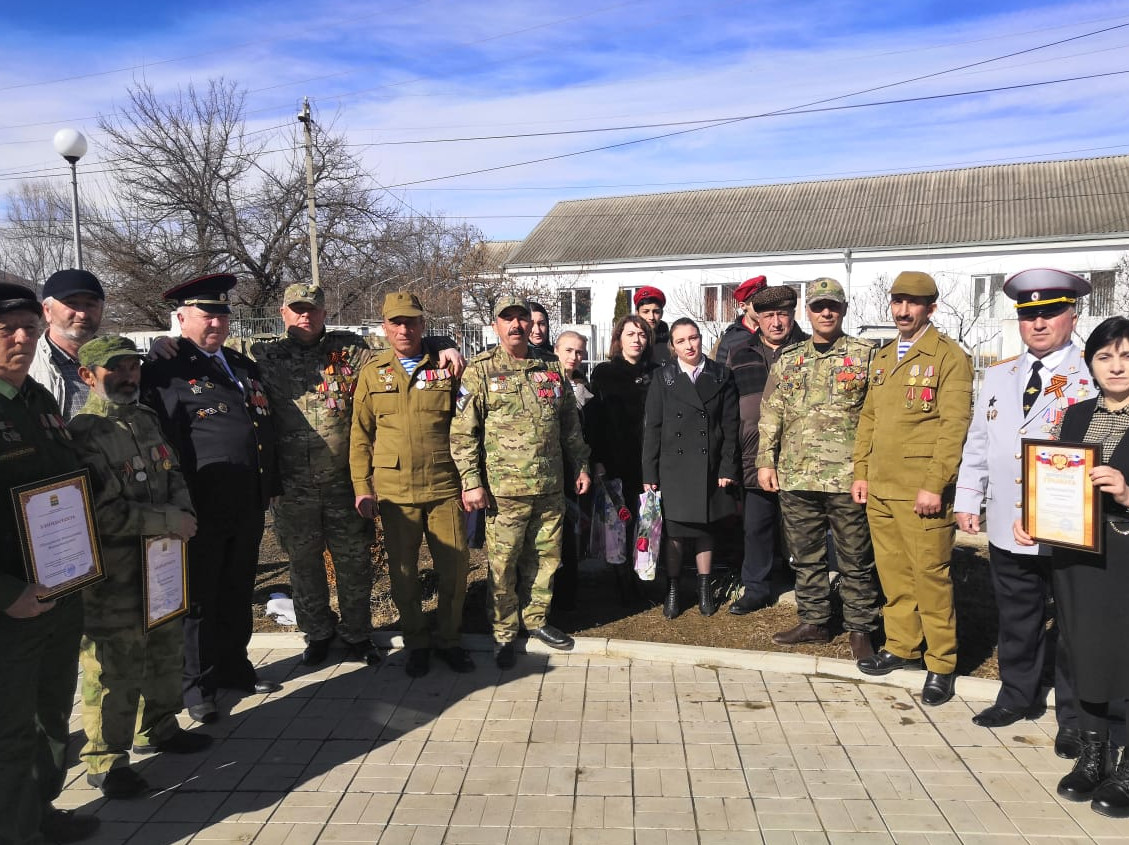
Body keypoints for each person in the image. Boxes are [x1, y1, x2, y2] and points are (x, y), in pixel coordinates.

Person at [69, 336, 211, 800]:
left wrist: (185, 516)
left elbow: (173, 477)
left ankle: (160, 728)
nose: (129, 377)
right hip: (115, 577)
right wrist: (169, 521)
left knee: (163, 651)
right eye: (116, 370)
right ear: (87, 375)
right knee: (113, 669)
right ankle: (105, 760)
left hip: (160, 567)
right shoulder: (84, 432)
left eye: (133, 367)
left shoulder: (145, 419)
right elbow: (99, 513)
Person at [955, 268, 1090, 751]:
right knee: (1017, 614)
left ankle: (1076, 715)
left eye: (1050, 313)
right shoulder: (999, 373)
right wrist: (969, 497)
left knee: (1074, 623)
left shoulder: (1092, 374)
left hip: (1068, 523)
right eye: (1029, 315)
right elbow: (980, 441)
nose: (1038, 324)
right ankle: (1018, 695)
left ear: (1072, 316)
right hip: (1006, 519)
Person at [141, 273, 283, 725]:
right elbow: (163, 439)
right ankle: (197, 685)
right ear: (181, 318)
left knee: (237, 588)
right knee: (198, 598)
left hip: (247, 501)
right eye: (207, 314)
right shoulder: (165, 367)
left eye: (222, 313)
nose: (217, 321)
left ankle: (233, 667)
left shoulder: (241, 366)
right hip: (201, 504)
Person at [1015, 316, 1129, 816]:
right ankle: (1092, 758)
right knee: (1082, 652)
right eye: (1105, 356)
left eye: (1126, 355)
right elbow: (1058, 485)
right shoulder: (1076, 416)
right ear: (1091, 364)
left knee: (1123, 656)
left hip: (1124, 559)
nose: (1116, 366)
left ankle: (1127, 769)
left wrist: (1128, 492)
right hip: (1076, 558)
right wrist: (1033, 520)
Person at [0, 282, 100, 844]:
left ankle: (38, 814)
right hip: (12, 605)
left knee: (51, 715)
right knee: (10, 730)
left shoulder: (36, 402)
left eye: (28, 329)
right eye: (5, 330)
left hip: (59, 590)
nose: (20, 338)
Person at [851, 271, 973, 706]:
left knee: (930, 577)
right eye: (897, 301)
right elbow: (869, 418)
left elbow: (953, 426)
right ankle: (902, 646)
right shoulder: (883, 358)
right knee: (894, 573)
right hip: (881, 487)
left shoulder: (949, 358)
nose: (903, 310)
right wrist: (861, 472)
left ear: (931, 308)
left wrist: (935, 484)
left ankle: (941, 663)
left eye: (913, 303)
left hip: (921, 491)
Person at [450, 296, 591, 669]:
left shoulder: (551, 367)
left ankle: (537, 620)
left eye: (521, 318)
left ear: (531, 324)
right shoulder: (480, 370)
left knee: (546, 559)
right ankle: (503, 634)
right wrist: (471, 481)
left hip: (549, 486)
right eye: (507, 318)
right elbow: (463, 433)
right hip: (503, 491)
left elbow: (569, 426)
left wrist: (581, 466)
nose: (515, 325)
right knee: (503, 564)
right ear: (496, 325)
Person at [252, 283, 381, 667]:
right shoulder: (264, 355)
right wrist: (163, 345)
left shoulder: (350, 352)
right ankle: (318, 633)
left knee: (354, 562)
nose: (305, 315)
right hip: (293, 487)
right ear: (283, 313)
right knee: (304, 565)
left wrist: (444, 343)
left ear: (325, 312)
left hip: (345, 483)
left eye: (312, 308)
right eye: (297, 309)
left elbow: (401, 342)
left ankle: (358, 635)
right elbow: (209, 351)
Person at [350, 292, 475, 678]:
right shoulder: (373, 372)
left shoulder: (446, 366)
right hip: (394, 491)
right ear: (384, 327)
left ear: (423, 324)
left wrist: (471, 480)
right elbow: (360, 434)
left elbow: (468, 421)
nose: (405, 329)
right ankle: (417, 642)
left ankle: (449, 641)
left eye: (412, 322)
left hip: (443, 486)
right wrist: (362, 487)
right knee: (403, 573)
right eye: (396, 323)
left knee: (454, 570)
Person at [756, 278, 880, 659]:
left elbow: (878, 416)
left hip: (847, 478)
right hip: (797, 475)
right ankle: (814, 620)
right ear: (807, 312)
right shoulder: (790, 359)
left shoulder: (866, 355)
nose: (826, 313)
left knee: (855, 558)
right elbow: (771, 412)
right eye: (818, 306)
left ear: (843, 310)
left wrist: (867, 470)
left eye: (833, 306)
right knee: (805, 555)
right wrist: (765, 460)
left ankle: (861, 628)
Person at [642, 317, 740, 619]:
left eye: (693, 338)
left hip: (710, 467)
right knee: (674, 532)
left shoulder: (722, 375)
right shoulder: (663, 378)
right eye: (681, 340)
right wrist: (649, 474)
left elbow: (731, 426)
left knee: (704, 529)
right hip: (673, 468)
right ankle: (672, 588)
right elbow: (653, 428)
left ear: (701, 339)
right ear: (672, 346)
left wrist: (727, 468)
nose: (689, 345)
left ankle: (703, 587)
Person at [726, 283, 809, 615]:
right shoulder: (739, 353)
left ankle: (809, 588)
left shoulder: (808, 351)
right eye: (770, 315)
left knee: (802, 527)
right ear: (756, 318)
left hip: (800, 457)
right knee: (756, 526)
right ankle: (756, 588)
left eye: (783, 315)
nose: (777, 322)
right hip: (753, 455)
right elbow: (730, 409)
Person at [585, 315, 659, 582]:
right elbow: (595, 421)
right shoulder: (604, 373)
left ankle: (645, 573)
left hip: (649, 461)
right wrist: (598, 460)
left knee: (647, 522)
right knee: (620, 522)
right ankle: (622, 578)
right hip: (616, 460)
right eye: (630, 334)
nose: (636, 340)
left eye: (641, 335)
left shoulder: (658, 373)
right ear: (619, 339)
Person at [29, 268, 106, 419]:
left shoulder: (119, 363)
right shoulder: (26, 366)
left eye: (90, 304)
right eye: (72, 304)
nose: (82, 314)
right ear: (47, 311)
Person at [552, 330, 592, 612]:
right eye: (568, 350)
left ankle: (568, 598)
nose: (573, 357)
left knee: (569, 536)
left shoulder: (583, 387)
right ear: (556, 350)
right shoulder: (544, 381)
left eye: (578, 352)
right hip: (548, 469)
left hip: (573, 471)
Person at [711, 275, 766, 363]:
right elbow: (721, 373)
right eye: (757, 302)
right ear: (743, 306)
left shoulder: (775, 330)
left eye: (765, 301)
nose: (762, 306)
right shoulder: (729, 339)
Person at [634, 286, 671, 363]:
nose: (651, 317)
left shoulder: (670, 344)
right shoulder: (628, 341)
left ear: (661, 314)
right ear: (637, 313)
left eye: (656, 312)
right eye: (646, 311)